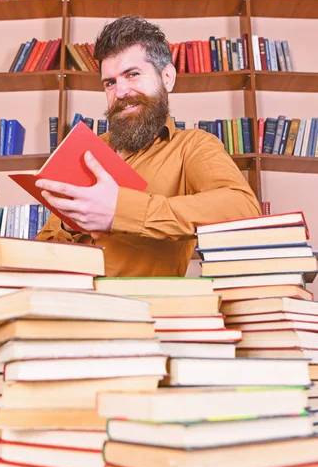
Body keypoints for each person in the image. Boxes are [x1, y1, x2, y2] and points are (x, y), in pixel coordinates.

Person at [35, 16, 261, 276]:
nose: (120, 92)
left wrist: (119, 210)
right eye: (110, 83)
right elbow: (47, 244)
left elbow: (243, 207)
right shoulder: (85, 151)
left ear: (167, 77)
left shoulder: (194, 146)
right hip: (64, 302)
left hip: (144, 310)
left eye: (132, 75)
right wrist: (72, 224)